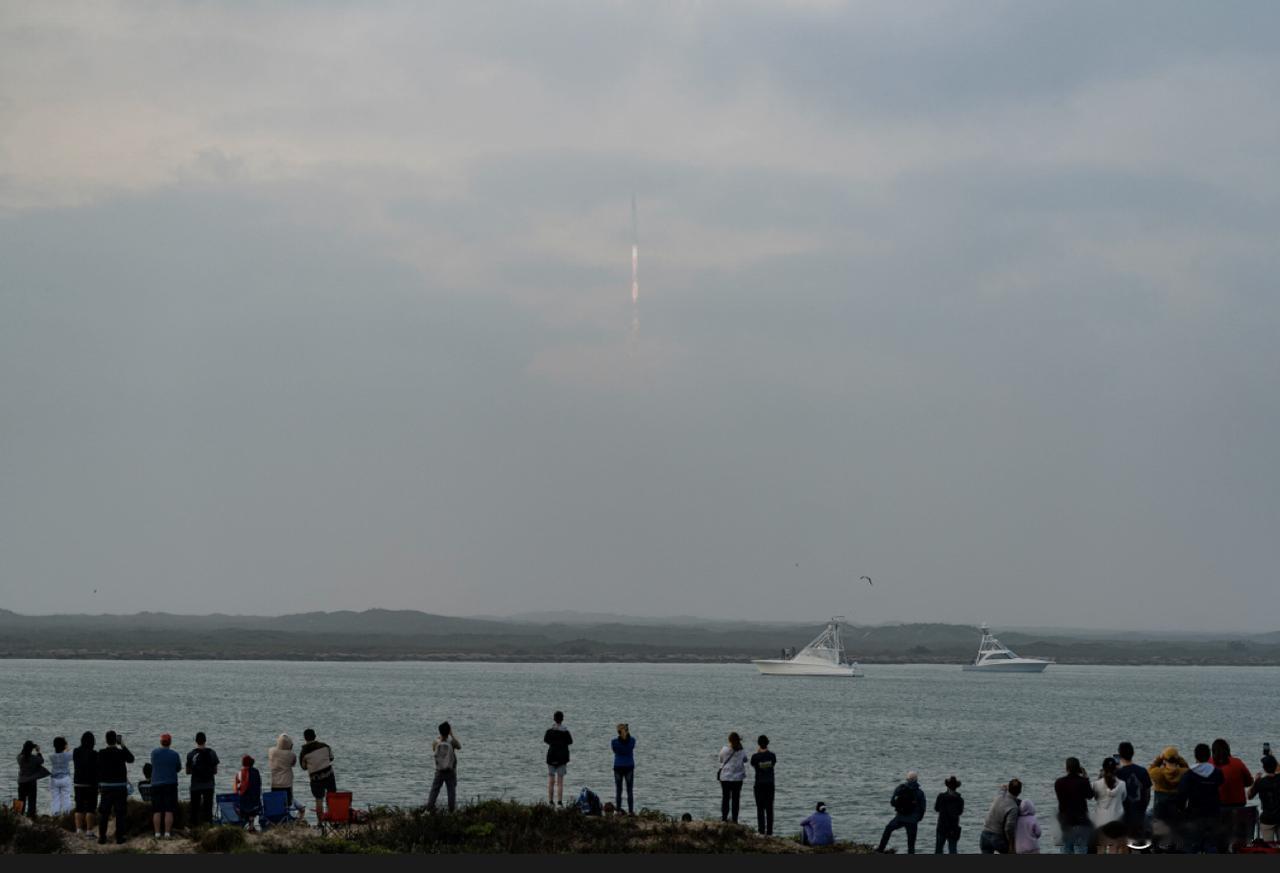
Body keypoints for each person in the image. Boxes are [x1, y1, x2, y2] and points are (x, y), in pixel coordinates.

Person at [1175, 743, 1224, 854]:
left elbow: (1182, 794)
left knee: (1191, 845)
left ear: (1195, 756)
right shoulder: (1217, 773)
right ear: (1209, 756)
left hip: (1195, 814)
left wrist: (1180, 810)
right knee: (1211, 844)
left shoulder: (1189, 774)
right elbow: (1221, 782)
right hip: (1213, 812)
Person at [1212, 737, 1254, 850]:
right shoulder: (1237, 763)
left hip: (1217, 808)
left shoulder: (1209, 763)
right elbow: (1249, 781)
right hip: (1238, 808)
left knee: (1220, 840)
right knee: (1239, 840)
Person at [96, 730, 134, 845]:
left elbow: (97, 769)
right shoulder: (121, 752)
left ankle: (102, 837)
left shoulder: (101, 753)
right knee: (120, 813)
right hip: (120, 787)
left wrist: (99, 784)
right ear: (115, 740)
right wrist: (122, 744)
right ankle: (119, 838)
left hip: (106, 787)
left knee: (104, 813)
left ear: (106, 740)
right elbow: (131, 759)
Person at [1148, 745, 1188, 849]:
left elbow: (1151, 769)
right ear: (1177, 759)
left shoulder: (1158, 773)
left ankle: (1156, 849)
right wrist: (1179, 759)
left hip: (1160, 805)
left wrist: (1159, 759)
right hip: (1175, 806)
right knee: (1175, 831)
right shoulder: (1183, 773)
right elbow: (1187, 768)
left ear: (1164, 759)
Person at [877, 770, 926, 853]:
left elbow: (892, 802)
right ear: (916, 780)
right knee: (911, 843)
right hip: (912, 820)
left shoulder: (900, 788)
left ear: (907, 779)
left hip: (900, 817)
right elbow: (923, 808)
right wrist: (918, 819)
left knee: (888, 829)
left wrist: (899, 809)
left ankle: (880, 849)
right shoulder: (920, 793)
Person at [1053, 756, 1094, 854]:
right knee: (1081, 849)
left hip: (1065, 821)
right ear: (1078, 769)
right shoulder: (1083, 782)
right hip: (1081, 821)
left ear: (1066, 768)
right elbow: (1090, 795)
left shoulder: (1059, 783)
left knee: (1066, 849)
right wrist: (1086, 777)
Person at [1091, 757, 1128, 853]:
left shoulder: (1096, 784)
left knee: (1101, 847)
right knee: (1115, 847)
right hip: (1116, 820)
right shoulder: (1122, 784)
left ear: (1103, 769)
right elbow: (1124, 798)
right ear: (1116, 769)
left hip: (1101, 820)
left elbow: (1095, 798)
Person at [1116, 742, 1152, 839]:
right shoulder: (1142, 771)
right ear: (1133, 753)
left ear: (1119, 754)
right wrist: (1143, 807)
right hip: (1139, 812)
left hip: (1121, 813)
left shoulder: (1117, 773)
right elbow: (1147, 794)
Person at [299, 728, 337, 819]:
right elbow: (331, 758)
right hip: (329, 775)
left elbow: (303, 767)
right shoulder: (325, 746)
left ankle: (320, 822)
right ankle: (333, 818)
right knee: (331, 797)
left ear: (305, 738)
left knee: (319, 799)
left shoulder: (303, 752)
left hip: (315, 779)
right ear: (315, 736)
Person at [149, 733, 181, 838]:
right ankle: (167, 833)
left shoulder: (154, 753)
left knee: (156, 810)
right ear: (170, 742)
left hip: (156, 784)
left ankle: (157, 833)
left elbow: (153, 764)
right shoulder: (175, 754)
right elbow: (178, 768)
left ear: (161, 742)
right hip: (170, 784)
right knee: (169, 810)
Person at [186, 732, 220, 826]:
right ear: (205, 740)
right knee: (208, 808)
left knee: (194, 809)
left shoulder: (191, 754)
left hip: (195, 785)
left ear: (196, 741)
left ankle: (194, 827)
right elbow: (215, 771)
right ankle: (208, 826)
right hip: (209, 784)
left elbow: (188, 772)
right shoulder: (212, 753)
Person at [979, 779, 1021, 854]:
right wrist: (1012, 845)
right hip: (997, 837)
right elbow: (1009, 828)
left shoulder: (999, 795)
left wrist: (1005, 788)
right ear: (1019, 792)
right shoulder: (1013, 807)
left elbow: (1002, 789)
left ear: (1009, 788)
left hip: (985, 834)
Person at [428, 721, 461, 812]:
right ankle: (451, 811)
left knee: (434, 790)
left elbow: (434, 750)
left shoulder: (436, 742)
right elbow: (459, 747)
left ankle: (429, 808)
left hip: (439, 770)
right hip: (451, 770)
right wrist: (452, 735)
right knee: (451, 792)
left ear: (440, 731)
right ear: (449, 731)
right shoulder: (451, 742)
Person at [717, 732, 749, 824]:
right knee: (736, 799)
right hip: (737, 779)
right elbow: (745, 760)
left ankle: (724, 818)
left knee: (725, 798)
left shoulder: (724, 749)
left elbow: (720, 760)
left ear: (729, 740)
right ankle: (735, 820)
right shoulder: (742, 751)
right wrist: (740, 748)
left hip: (725, 778)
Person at [1248, 754, 1280, 842]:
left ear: (1264, 768)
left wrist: (1255, 781)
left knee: (1269, 847)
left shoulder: (1260, 782)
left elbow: (1249, 796)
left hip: (1267, 818)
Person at [543, 711, 572, 806]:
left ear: (554, 719)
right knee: (560, 781)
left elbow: (546, 740)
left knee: (551, 780)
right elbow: (570, 741)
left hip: (551, 756)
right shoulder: (565, 732)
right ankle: (559, 801)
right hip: (562, 758)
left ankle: (550, 801)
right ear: (562, 719)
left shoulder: (549, 731)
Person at [72, 731, 98, 837]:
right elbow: (97, 769)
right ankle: (89, 831)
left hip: (78, 782)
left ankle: (78, 830)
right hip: (91, 784)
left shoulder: (76, 751)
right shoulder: (94, 754)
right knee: (90, 808)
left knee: (79, 807)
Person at [749, 734, 775, 835]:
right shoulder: (772, 756)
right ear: (767, 744)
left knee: (760, 808)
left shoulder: (755, 757)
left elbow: (753, 764)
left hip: (759, 784)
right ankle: (769, 832)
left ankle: (761, 830)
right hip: (770, 784)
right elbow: (773, 763)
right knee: (769, 808)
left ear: (758, 744)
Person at [268, 733, 299, 816]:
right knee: (288, 804)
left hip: (275, 783)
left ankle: (278, 819)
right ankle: (286, 819)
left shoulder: (271, 751)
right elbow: (293, 764)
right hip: (287, 783)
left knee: (276, 803)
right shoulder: (291, 754)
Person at [934, 775, 964, 854]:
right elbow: (960, 812)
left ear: (947, 786)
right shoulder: (960, 799)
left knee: (939, 849)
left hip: (942, 826)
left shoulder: (941, 797)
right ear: (956, 787)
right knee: (953, 849)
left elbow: (936, 808)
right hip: (953, 827)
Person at [611, 724, 637, 817]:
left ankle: (618, 811)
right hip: (629, 766)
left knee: (618, 790)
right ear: (628, 730)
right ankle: (630, 811)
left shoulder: (614, 742)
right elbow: (631, 747)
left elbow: (614, 751)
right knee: (629, 790)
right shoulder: (632, 741)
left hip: (618, 766)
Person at [16, 740, 46, 817]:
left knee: (21, 800)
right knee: (31, 802)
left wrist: (25, 748)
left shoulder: (20, 758)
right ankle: (31, 818)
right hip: (31, 782)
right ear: (31, 749)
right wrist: (38, 751)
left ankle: (18, 817)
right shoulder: (34, 758)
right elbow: (42, 761)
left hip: (21, 782)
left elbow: (20, 754)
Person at [48, 736, 74, 817]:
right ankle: (67, 814)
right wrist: (66, 748)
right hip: (65, 778)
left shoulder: (51, 756)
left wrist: (64, 749)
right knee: (66, 797)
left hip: (54, 779)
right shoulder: (67, 755)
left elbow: (60, 754)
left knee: (55, 798)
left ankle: (55, 814)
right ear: (64, 745)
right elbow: (69, 754)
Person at [235, 755, 263, 830]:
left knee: (239, 804)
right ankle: (251, 825)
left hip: (243, 803)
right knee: (252, 805)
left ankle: (244, 824)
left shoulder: (240, 773)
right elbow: (259, 785)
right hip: (255, 802)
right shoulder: (256, 772)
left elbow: (237, 788)